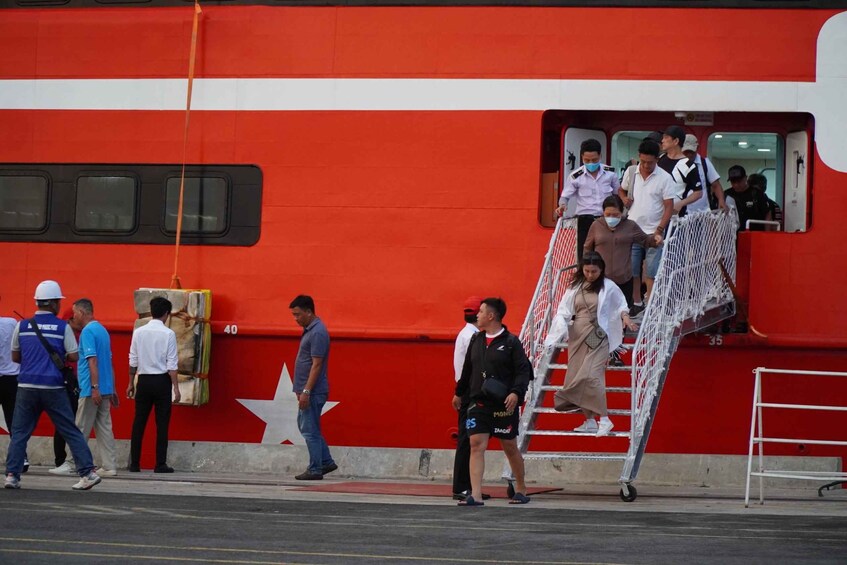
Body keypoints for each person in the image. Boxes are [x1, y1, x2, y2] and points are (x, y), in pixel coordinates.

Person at [4, 280, 101, 490]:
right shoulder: (62, 327)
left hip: (26, 386)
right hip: (53, 388)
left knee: (19, 432)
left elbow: (15, 357)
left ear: (38, 302)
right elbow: (74, 356)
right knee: (70, 430)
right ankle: (88, 472)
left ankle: (12, 475)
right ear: (55, 303)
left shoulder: (22, 325)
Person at [453, 297, 533, 506]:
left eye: (480, 312)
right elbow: (467, 369)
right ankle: (476, 494)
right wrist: (459, 392)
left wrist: (515, 393)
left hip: (503, 404)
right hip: (479, 402)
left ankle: (521, 488)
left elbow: (523, 371)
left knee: (509, 446)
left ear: (491, 316)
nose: (477, 315)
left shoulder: (511, 342)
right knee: (475, 444)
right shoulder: (476, 340)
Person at [545, 252, 635, 436]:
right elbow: (563, 311)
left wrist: (626, 318)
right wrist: (557, 332)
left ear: (601, 270)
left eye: (594, 271)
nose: (590, 274)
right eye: (586, 271)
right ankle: (590, 421)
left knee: (591, 375)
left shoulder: (608, 286)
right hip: (577, 334)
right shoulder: (575, 287)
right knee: (577, 373)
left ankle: (604, 419)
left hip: (598, 334)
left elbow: (621, 305)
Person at [128, 296, 180, 473]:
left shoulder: (139, 332)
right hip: (162, 381)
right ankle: (160, 464)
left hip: (143, 380)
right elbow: (172, 364)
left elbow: (133, 359)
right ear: (166, 313)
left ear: (151, 311)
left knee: (139, 422)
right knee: (162, 424)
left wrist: (130, 382)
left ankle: (135, 463)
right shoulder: (169, 334)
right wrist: (176, 388)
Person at [584, 195, 662, 309]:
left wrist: (655, 240)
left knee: (622, 312)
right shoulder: (596, 225)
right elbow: (587, 248)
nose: (611, 217)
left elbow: (646, 240)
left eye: (615, 215)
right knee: (600, 311)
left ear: (622, 212)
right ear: (603, 212)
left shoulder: (630, 226)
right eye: (608, 214)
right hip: (601, 280)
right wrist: (586, 269)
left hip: (623, 280)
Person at [625, 140, 675, 316]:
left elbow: (669, 206)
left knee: (652, 271)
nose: (646, 165)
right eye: (643, 161)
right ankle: (637, 302)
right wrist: (624, 199)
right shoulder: (631, 172)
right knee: (633, 269)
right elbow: (621, 190)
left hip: (654, 231)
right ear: (639, 156)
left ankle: (651, 304)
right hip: (633, 229)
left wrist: (660, 230)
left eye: (650, 162)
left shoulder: (665, 178)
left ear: (657, 159)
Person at [289, 295, 337, 481]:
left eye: (298, 314)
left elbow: (317, 364)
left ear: (309, 312)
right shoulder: (312, 330)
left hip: (313, 391)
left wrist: (306, 391)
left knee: (309, 430)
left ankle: (315, 468)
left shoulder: (317, 333)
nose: (295, 319)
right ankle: (326, 461)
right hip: (309, 390)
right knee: (311, 428)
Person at [70, 298, 118, 477]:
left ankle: (74, 463)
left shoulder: (87, 332)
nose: (74, 317)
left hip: (90, 388)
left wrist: (94, 387)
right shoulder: (102, 330)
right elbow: (109, 361)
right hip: (105, 387)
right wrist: (112, 388)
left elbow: (92, 361)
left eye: (75, 313)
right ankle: (109, 466)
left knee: (80, 427)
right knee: (104, 427)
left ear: (82, 313)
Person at [556, 138, 620, 259]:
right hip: (585, 220)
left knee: (606, 253)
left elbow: (618, 194)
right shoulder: (576, 176)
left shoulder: (610, 173)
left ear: (600, 156)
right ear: (582, 157)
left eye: (594, 160)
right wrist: (562, 205)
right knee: (584, 253)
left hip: (606, 219)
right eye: (587, 160)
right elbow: (565, 196)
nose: (591, 163)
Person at [451, 296, 486, 501]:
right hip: (469, 392)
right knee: (466, 439)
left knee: (470, 439)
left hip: (465, 390)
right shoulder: (472, 337)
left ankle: (469, 486)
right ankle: (462, 486)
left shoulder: (466, 334)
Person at [47, 306, 80, 475]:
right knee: (64, 421)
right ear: (70, 320)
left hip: (73, 381)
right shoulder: (65, 334)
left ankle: (66, 460)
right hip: (66, 381)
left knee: (69, 421)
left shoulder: (79, 334)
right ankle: (61, 460)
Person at [0, 316, 26, 473]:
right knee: (15, 421)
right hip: (12, 378)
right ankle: (21, 457)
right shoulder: (11, 322)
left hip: (9, 375)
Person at [658, 126, 702, 217]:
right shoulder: (660, 159)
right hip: (655, 213)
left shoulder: (689, 165)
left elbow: (698, 192)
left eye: (666, 137)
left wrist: (681, 203)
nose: (662, 141)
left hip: (675, 217)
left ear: (676, 141)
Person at [681, 134, 726, 212]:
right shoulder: (676, 164)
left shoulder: (705, 163)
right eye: (686, 152)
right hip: (681, 212)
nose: (689, 155)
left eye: (691, 151)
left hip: (703, 212)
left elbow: (716, 185)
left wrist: (721, 200)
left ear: (697, 148)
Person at [724, 165, 771, 231]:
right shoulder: (726, 195)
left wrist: (767, 234)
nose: (736, 185)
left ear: (746, 178)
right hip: (733, 234)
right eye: (733, 182)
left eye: (739, 181)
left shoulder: (757, 194)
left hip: (754, 233)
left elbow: (767, 214)